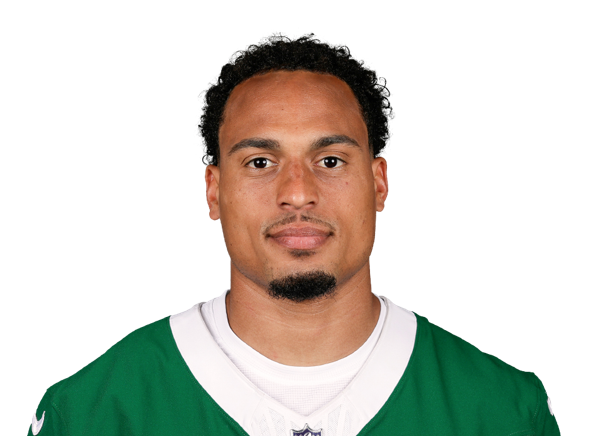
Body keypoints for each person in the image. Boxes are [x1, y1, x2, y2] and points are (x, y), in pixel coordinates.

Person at [28, 33, 560, 436]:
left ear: (379, 183)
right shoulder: (93, 411)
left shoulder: (504, 409)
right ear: (213, 190)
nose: (298, 193)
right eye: (260, 161)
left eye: (330, 160)